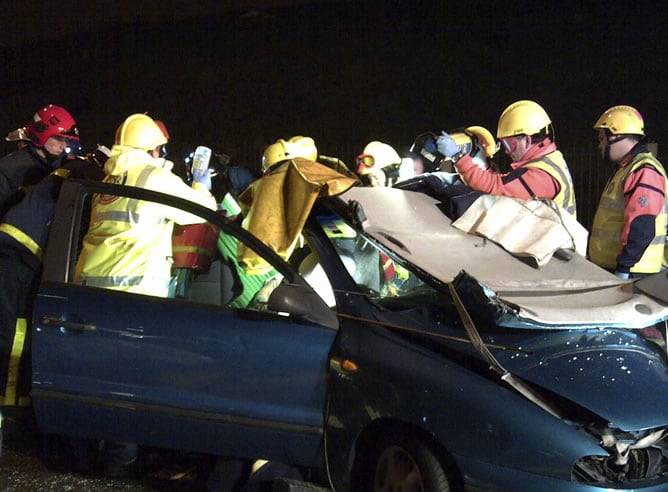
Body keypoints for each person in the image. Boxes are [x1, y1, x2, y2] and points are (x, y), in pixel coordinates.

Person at [0, 156, 105, 441]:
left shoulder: (60, 173)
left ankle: (15, 406)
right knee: (15, 334)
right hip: (21, 254)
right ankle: (9, 411)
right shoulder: (80, 174)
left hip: (20, 247)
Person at [75, 113, 217, 297]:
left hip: (87, 286)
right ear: (152, 149)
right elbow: (202, 211)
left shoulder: (108, 180)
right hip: (131, 291)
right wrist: (201, 186)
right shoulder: (153, 177)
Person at [436, 100, 577, 216]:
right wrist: (484, 166)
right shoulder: (549, 159)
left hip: (552, 249)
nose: (506, 151)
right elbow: (506, 185)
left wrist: (458, 156)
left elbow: (495, 188)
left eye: (509, 144)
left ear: (526, 140)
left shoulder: (540, 176)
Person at [589, 105, 667, 279]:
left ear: (615, 136)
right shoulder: (626, 169)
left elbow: (642, 225)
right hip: (620, 269)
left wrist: (623, 269)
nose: (600, 145)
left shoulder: (643, 170)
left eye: (602, 139)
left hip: (633, 274)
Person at [0, 104, 79, 216]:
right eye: (59, 139)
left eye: (66, 141)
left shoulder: (62, 168)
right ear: (41, 132)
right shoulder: (8, 168)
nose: (64, 146)